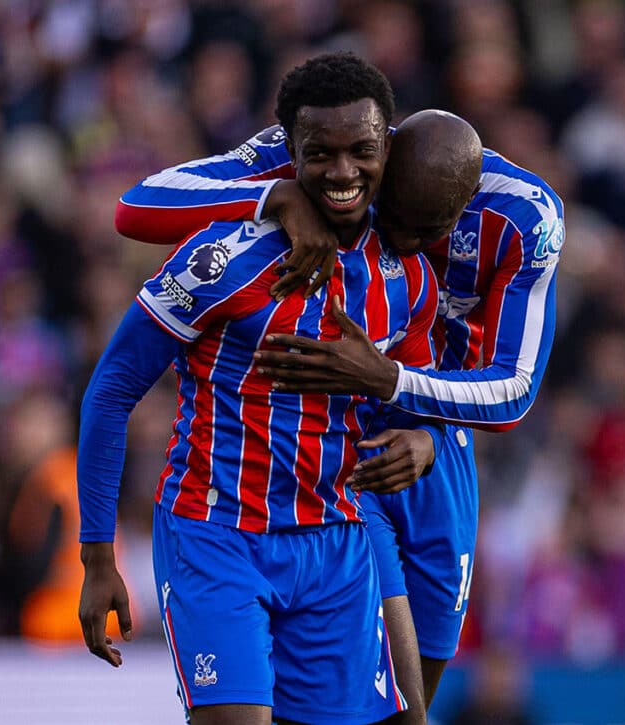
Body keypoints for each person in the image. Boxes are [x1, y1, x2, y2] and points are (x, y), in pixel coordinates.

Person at [112, 108, 564, 706]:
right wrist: (275, 198)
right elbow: (137, 205)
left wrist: (402, 395)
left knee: (416, 700)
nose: (398, 242)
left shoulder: (526, 219)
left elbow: (514, 389)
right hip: (332, 451)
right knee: (382, 692)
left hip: (434, 439)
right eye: (389, 214)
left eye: (422, 230)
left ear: (461, 209)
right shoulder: (332, 151)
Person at [78, 53, 455, 725]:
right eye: (321, 154)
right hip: (215, 533)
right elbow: (111, 390)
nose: (342, 173)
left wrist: (424, 440)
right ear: (290, 151)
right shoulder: (222, 255)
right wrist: (97, 553)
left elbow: (416, 396)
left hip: (333, 543)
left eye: (361, 151)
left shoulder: (409, 280)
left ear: (387, 147)